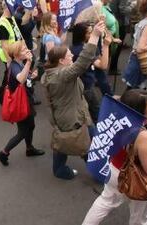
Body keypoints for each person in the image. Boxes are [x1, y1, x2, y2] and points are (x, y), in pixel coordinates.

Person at [82, 89, 147, 225]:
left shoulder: (118, 114)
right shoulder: (144, 136)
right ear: (139, 111)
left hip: (114, 169)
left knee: (105, 202)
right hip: (136, 178)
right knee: (139, 217)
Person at [41, 20, 106, 180]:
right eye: (69, 55)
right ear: (62, 61)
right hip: (74, 118)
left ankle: (59, 169)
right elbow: (82, 63)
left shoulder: (54, 72)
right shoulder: (62, 75)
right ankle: (100, 175)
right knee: (87, 145)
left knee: (64, 143)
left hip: (74, 114)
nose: (72, 55)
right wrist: (95, 36)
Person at [0, 41, 45, 166]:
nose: (27, 50)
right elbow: (20, 79)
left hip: (26, 102)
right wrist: (29, 62)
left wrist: (31, 75)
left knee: (31, 126)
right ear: (17, 54)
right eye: (23, 49)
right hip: (20, 105)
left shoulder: (18, 63)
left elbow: (25, 79)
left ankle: (29, 148)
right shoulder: (14, 66)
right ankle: (3, 153)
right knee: (22, 132)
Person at [70, 22, 113, 122]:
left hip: (79, 85)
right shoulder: (85, 50)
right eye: (89, 32)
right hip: (86, 87)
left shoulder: (73, 47)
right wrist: (106, 46)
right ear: (82, 34)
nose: (92, 34)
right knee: (96, 114)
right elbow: (103, 65)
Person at [123, 0, 147, 89]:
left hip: (137, 61)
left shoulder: (145, 22)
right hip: (141, 63)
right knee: (135, 96)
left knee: (132, 94)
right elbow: (140, 48)